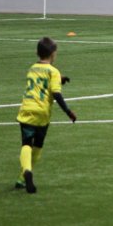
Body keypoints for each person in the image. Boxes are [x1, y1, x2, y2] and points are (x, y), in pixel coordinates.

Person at [15, 37, 76, 194]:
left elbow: (39, 81)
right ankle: (22, 178)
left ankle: (26, 171)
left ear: (37, 53)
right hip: (42, 113)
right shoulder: (54, 72)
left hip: (27, 109)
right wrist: (68, 111)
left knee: (26, 144)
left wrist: (59, 79)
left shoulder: (32, 68)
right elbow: (56, 93)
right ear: (53, 54)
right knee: (38, 146)